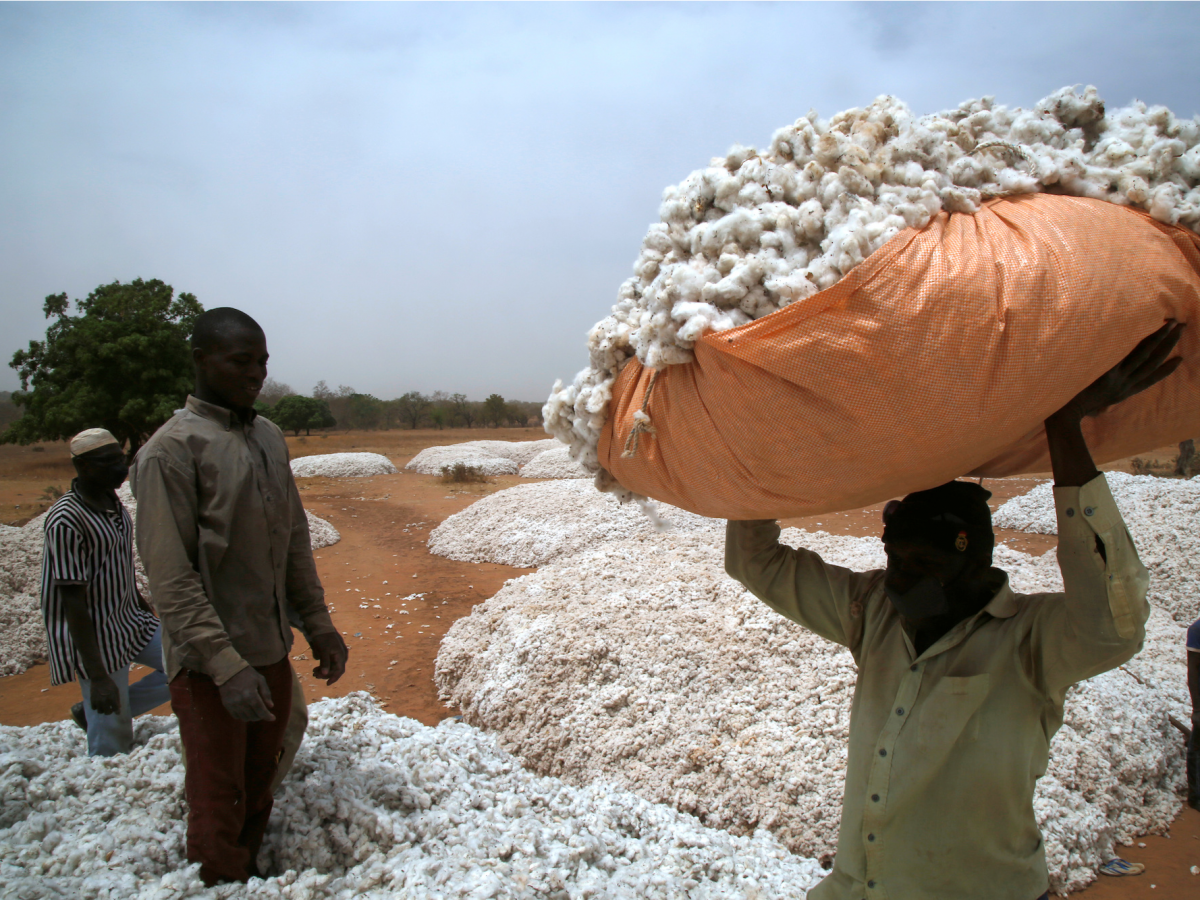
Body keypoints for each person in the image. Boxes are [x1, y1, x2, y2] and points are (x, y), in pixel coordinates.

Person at [724, 320, 1184, 899]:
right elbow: (755, 562)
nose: (902, 576)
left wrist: (1065, 427)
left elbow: (1115, 623)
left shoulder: (1030, 642)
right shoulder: (872, 615)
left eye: (924, 561)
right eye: (896, 556)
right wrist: (751, 445)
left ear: (974, 561)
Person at [131, 307, 348, 886]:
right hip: (211, 668)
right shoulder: (170, 453)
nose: (256, 373)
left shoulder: (269, 437)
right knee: (217, 799)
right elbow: (171, 578)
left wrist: (318, 624)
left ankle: (246, 875)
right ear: (201, 360)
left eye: (262, 362)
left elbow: (294, 541)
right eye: (241, 361)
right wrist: (227, 668)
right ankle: (219, 881)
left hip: (269, 652)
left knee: (259, 783)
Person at [40, 427, 170, 756]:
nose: (120, 468)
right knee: (113, 735)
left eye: (120, 459)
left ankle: (92, 712)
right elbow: (72, 600)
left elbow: (118, 566)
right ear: (83, 467)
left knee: (189, 661)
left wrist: (143, 607)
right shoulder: (66, 520)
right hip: (95, 634)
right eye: (107, 462)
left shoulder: (113, 503)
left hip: (129, 618)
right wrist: (97, 676)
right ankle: (104, 763)